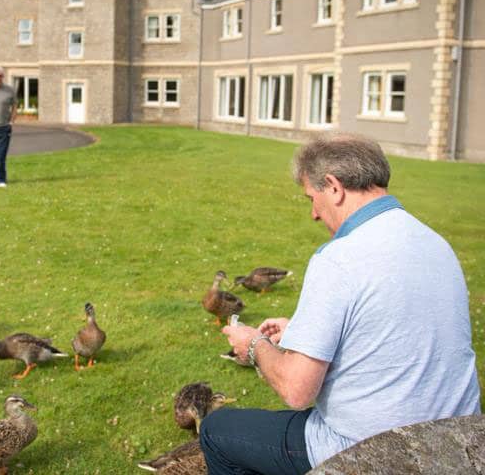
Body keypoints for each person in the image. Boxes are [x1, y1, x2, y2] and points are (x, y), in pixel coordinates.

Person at [201, 133, 480, 474]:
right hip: (456, 439)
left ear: (333, 187)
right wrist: (303, 333)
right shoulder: (435, 243)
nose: (314, 215)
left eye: (311, 198)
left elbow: (297, 389)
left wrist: (254, 344)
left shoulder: (340, 259)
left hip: (380, 451)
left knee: (218, 431)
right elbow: (401, 329)